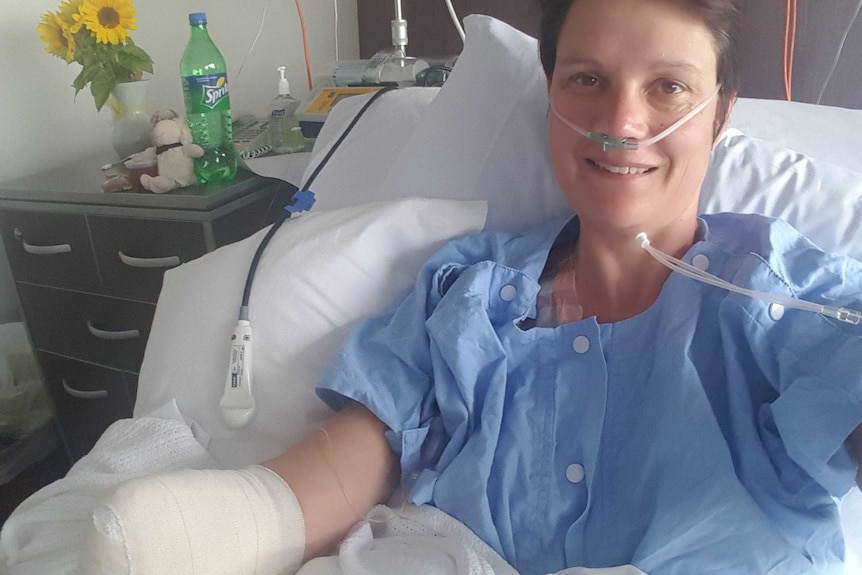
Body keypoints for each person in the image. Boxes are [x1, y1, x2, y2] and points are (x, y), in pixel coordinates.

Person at [82, 0, 862, 573]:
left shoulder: (784, 302)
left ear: (718, 115)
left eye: (668, 88)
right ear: (551, 99)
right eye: (588, 79)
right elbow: (346, 465)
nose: (622, 122)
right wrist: (202, 531)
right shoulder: (469, 292)